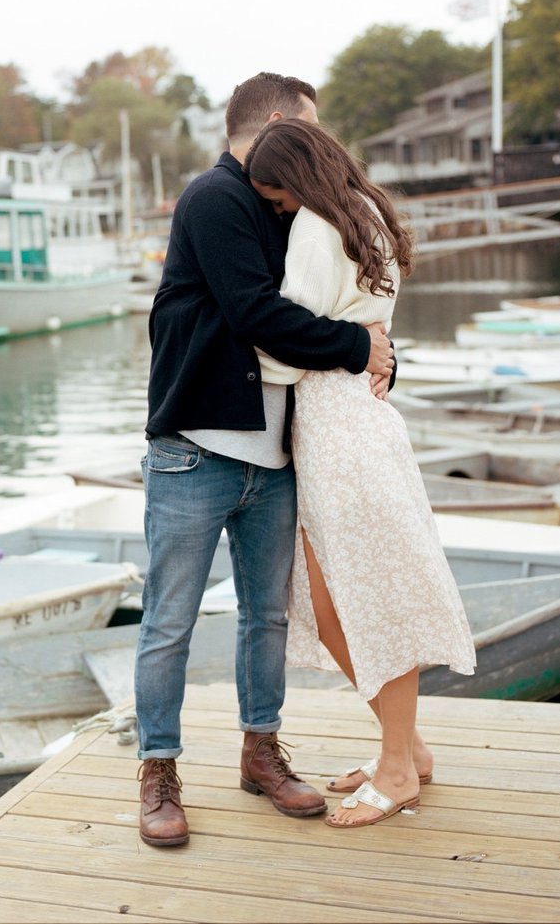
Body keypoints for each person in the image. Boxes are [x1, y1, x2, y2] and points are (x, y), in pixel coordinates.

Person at [134, 72, 396, 847]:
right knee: (170, 621)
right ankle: (157, 771)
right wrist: (361, 346)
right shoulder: (214, 199)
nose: (316, 144)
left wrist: (377, 344)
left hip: (273, 455)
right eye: (309, 128)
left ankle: (259, 753)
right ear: (280, 123)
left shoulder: (291, 205)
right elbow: (257, 312)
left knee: (268, 618)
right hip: (196, 449)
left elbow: (334, 304)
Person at [242, 117, 477, 828]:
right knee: (335, 596)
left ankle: (399, 768)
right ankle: (406, 747)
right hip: (358, 419)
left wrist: (268, 349)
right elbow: (361, 323)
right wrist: (370, 346)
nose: (276, 210)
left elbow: (286, 344)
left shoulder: (316, 227)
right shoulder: (366, 211)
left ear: (296, 182)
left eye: (275, 197)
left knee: (358, 598)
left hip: (335, 423)